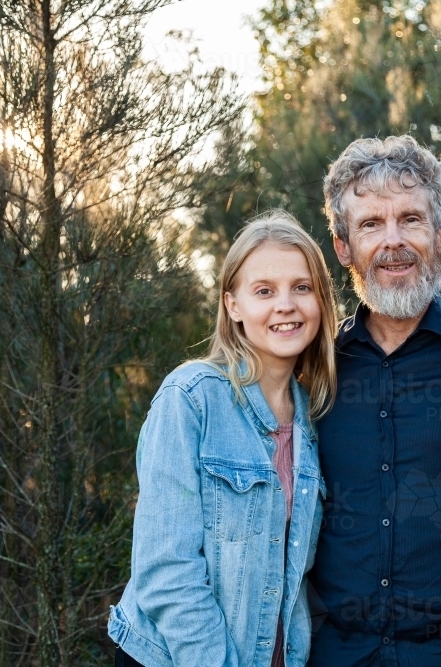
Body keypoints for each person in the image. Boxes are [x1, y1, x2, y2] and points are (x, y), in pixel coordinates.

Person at [308, 136, 441, 667]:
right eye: (370, 225)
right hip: (335, 656)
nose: (393, 241)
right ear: (342, 248)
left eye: (411, 219)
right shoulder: (315, 366)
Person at [108, 211, 338, 667]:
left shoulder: (316, 419)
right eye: (264, 291)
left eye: (302, 287)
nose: (286, 305)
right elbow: (165, 571)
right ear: (233, 306)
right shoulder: (191, 399)